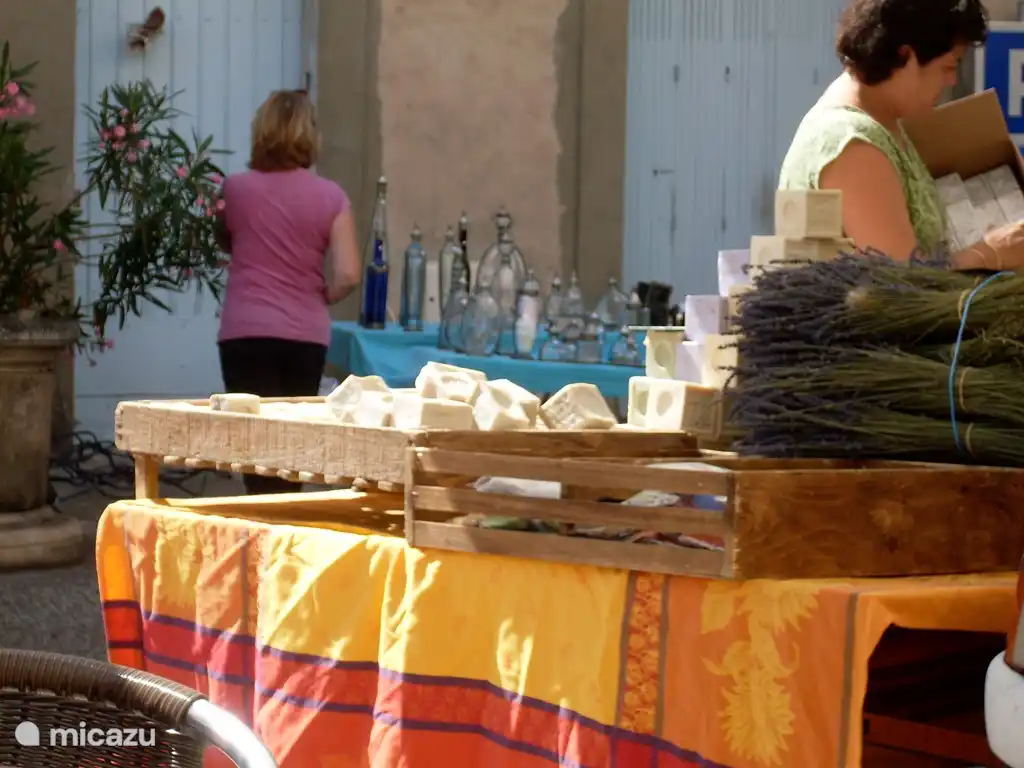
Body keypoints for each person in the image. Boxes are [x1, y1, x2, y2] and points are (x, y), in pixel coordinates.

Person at [779, 0, 1024, 269]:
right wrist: (989, 253)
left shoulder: (885, 121)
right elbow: (904, 287)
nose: (951, 81)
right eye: (949, 66)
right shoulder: (853, 145)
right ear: (906, 56)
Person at [215, 90, 360, 494]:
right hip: (303, 334)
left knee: (255, 445)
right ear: (309, 136)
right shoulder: (331, 196)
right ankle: (284, 535)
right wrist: (323, 295)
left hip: (245, 331)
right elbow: (348, 272)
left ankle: (259, 530)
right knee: (290, 446)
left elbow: (224, 240)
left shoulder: (235, 190)